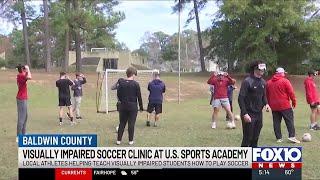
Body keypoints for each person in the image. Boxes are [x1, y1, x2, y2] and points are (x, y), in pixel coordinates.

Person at [238, 60, 270, 147]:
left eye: (263, 69)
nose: (262, 71)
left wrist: (266, 104)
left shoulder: (263, 82)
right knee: (247, 138)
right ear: (255, 69)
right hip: (248, 114)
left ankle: (253, 159)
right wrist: (245, 114)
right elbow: (241, 98)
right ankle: (243, 159)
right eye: (260, 69)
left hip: (259, 114)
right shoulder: (247, 81)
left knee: (255, 138)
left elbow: (263, 96)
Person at [266, 67, 300, 143]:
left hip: (274, 106)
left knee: (276, 122)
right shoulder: (285, 81)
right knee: (289, 121)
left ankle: (279, 138)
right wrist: (294, 102)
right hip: (285, 105)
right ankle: (292, 136)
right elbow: (291, 92)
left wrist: (268, 104)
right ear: (281, 73)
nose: (284, 74)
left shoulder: (268, 82)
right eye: (284, 73)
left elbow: (267, 95)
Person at [116, 67, 143, 145]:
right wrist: (141, 107)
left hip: (123, 106)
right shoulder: (136, 84)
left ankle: (118, 140)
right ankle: (130, 140)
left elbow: (118, 95)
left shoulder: (121, 83)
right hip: (133, 106)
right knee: (131, 123)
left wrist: (122, 101)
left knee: (122, 123)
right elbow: (139, 97)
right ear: (133, 74)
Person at [16, 64, 32, 142]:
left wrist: (26, 70)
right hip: (21, 98)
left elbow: (27, 76)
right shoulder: (20, 75)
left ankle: (23, 134)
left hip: (23, 98)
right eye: (24, 69)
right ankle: (19, 136)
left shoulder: (21, 75)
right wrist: (28, 69)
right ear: (22, 69)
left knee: (25, 116)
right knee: (21, 117)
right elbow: (30, 77)